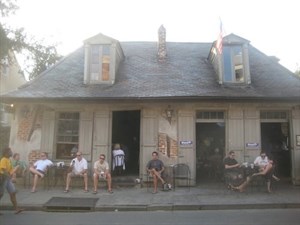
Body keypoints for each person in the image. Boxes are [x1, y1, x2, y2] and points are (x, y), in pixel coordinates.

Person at [0, 147, 24, 214]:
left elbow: (10, 170)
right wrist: (10, 177)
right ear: (6, 152)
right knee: (0, 194)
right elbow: (3, 170)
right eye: (10, 151)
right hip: (3, 178)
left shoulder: (9, 160)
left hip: (7, 179)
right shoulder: (3, 159)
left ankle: (17, 209)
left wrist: (15, 172)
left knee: (13, 193)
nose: (11, 152)